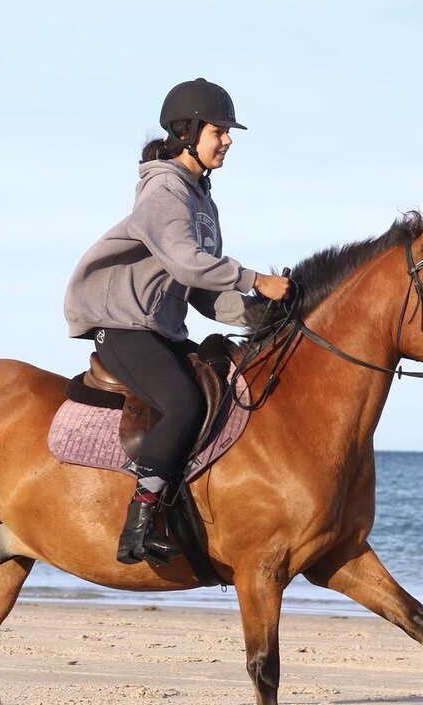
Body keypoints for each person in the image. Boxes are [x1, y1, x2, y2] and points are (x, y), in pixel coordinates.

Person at [63, 78, 290, 565]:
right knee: (184, 402)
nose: (227, 140)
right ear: (188, 132)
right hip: (121, 326)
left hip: (162, 330)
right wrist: (256, 280)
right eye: (219, 130)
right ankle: (138, 526)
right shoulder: (165, 190)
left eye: (229, 132)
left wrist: (259, 314)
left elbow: (204, 294)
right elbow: (189, 263)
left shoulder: (203, 201)